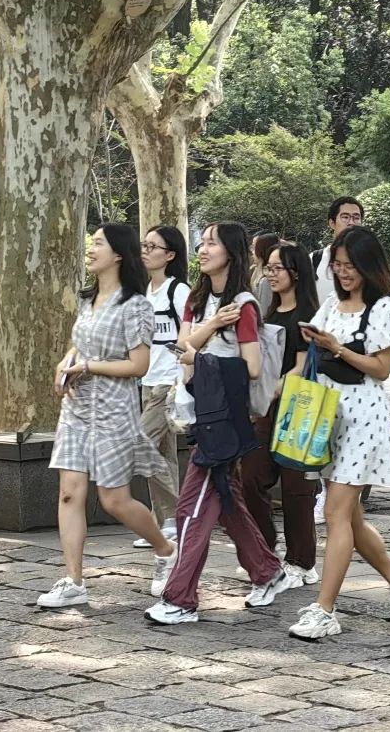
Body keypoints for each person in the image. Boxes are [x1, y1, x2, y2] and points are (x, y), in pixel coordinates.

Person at [144, 222, 290, 625]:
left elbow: (253, 367)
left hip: (225, 420)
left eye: (212, 243)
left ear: (232, 252)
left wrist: (199, 356)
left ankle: (180, 598)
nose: (203, 250)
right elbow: (180, 348)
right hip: (200, 413)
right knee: (225, 499)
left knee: (191, 509)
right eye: (202, 243)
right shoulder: (197, 300)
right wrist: (208, 330)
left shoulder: (243, 305)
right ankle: (267, 570)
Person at [287, 226, 390, 639]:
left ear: (368, 266)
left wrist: (338, 348)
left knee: (334, 513)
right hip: (328, 417)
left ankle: (325, 610)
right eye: (338, 266)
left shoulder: (384, 308)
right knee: (351, 520)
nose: (343, 273)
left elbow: (382, 369)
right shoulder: (331, 304)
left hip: (364, 417)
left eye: (350, 266)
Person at [40, 223, 178, 609]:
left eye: (98, 243)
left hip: (114, 411)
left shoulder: (136, 305)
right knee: (69, 492)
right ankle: (74, 580)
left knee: (114, 500)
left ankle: (167, 551)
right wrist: (65, 362)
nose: (90, 248)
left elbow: (138, 365)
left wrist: (88, 366)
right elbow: (79, 344)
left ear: (118, 253)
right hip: (76, 409)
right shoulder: (88, 299)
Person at [241, 242, 321, 589]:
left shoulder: (309, 314)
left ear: (296, 272)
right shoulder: (269, 313)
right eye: (268, 268)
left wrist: (274, 387)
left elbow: (302, 366)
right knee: (250, 477)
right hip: (268, 407)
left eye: (277, 268)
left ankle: (302, 561)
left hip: (302, 406)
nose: (270, 274)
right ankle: (265, 551)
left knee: (296, 488)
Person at [132, 225, 191, 549]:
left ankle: (177, 518)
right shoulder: (144, 292)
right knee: (162, 454)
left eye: (152, 247)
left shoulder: (178, 291)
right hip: (147, 381)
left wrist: (182, 377)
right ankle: (167, 524)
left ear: (170, 255)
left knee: (141, 444)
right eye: (144, 245)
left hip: (169, 383)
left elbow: (190, 335)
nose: (145, 251)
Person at [309, 197, 364, 524]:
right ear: (332, 222)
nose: (351, 222)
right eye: (345, 216)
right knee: (321, 425)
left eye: (356, 217)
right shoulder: (316, 260)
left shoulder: (368, 262)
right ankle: (324, 491)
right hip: (320, 352)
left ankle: (341, 495)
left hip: (354, 356)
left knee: (348, 426)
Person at [250, 232, 280, 312]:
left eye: (254, 248)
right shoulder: (255, 270)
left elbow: (264, 310)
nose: (252, 252)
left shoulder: (267, 279)